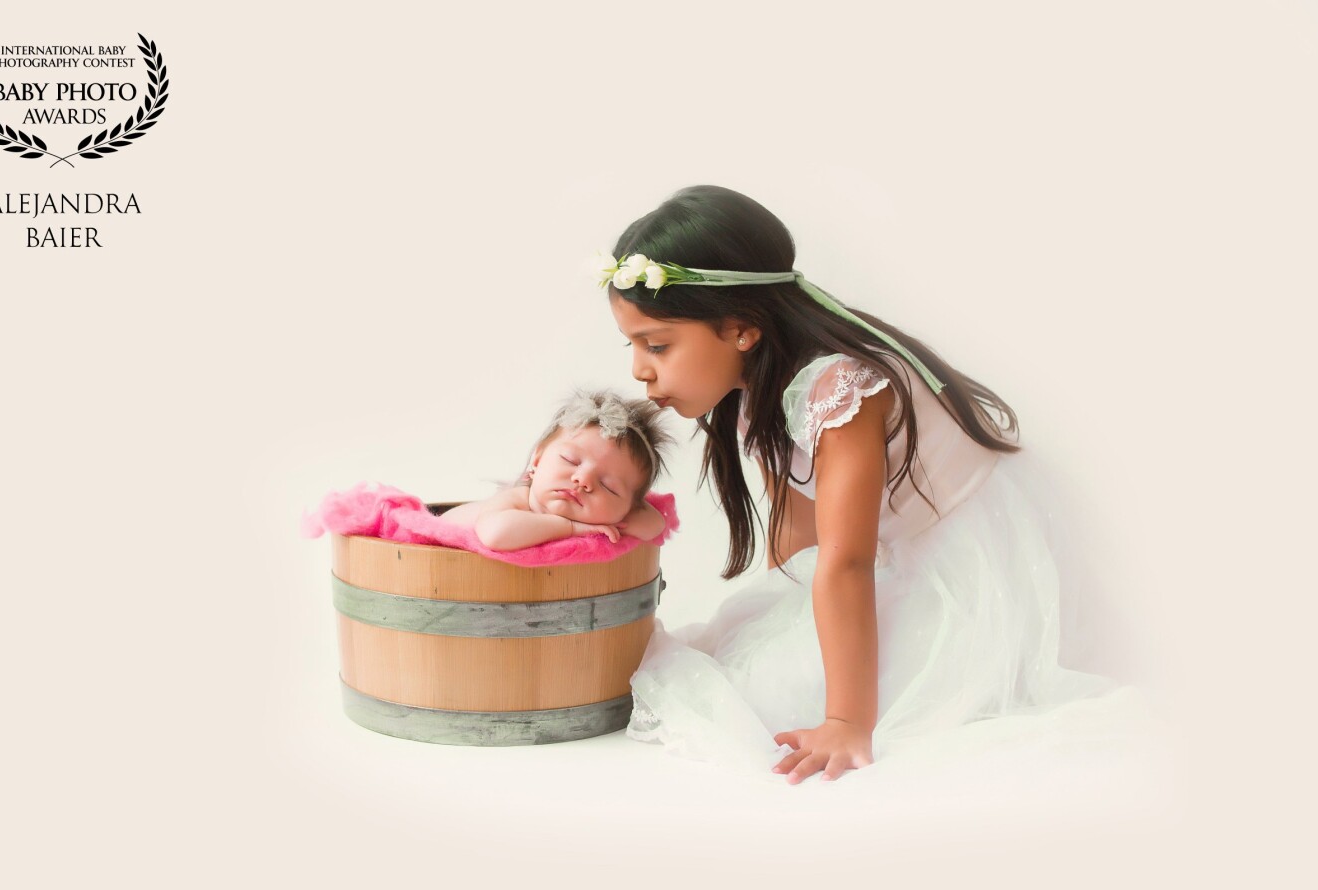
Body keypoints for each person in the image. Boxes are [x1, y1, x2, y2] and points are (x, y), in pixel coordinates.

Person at [596, 185, 1118, 784]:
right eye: (632, 345)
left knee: (793, 698)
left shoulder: (839, 390)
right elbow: (800, 531)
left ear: (742, 328)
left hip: (977, 556)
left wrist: (846, 720)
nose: (639, 370)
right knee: (757, 668)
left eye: (657, 345)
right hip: (889, 553)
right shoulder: (754, 389)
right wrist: (776, 623)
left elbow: (847, 562)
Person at [438, 389, 673, 551]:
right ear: (537, 460)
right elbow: (496, 535)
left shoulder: (614, 513)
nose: (583, 480)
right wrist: (573, 528)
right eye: (570, 460)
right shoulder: (516, 501)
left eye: (608, 486)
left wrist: (620, 517)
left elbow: (654, 524)